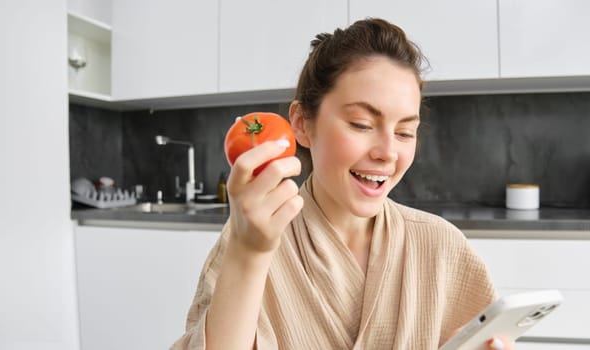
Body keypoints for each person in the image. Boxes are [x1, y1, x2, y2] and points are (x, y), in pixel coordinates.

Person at [171, 18, 511, 350]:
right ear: (302, 124)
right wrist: (249, 253)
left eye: (405, 132)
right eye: (361, 124)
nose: (388, 153)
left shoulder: (441, 246)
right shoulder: (246, 242)